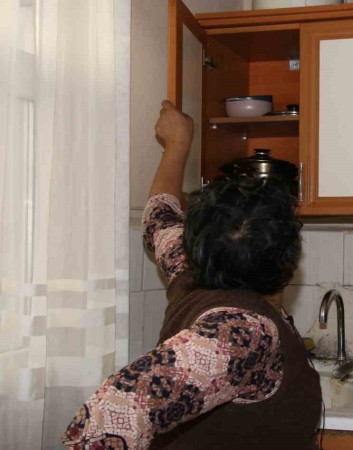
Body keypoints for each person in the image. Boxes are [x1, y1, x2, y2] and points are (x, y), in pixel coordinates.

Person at [61, 101, 322, 449]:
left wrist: (177, 144)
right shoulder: (243, 333)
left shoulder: (187, 270)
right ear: (291, 260)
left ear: (197, 247)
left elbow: (159, 217)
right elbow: (108, 415)